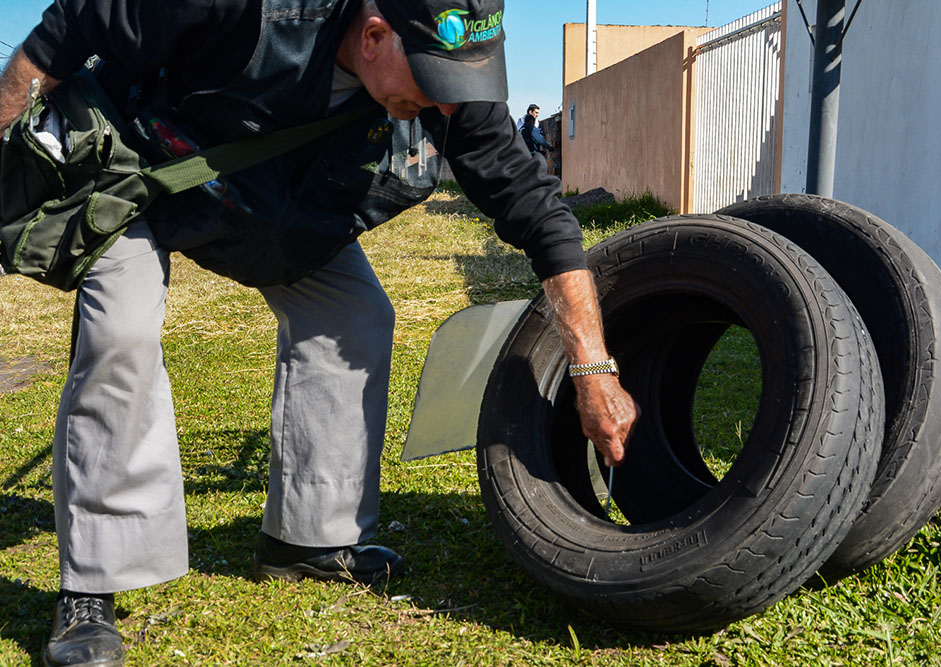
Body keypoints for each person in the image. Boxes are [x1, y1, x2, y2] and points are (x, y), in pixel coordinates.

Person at [0, 1, 639, 665]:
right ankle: (91, 586)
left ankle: (306, 539)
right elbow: (63, 33)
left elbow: (540, 215)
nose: (446, 106)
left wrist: (593, 368)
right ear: (375, 35)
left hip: (269, 210)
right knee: (122, 335)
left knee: (354, 316)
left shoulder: (449, 89)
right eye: (435, 84)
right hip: (144, 175)